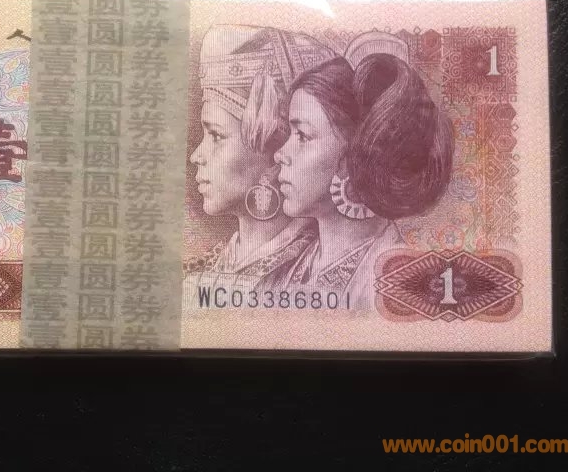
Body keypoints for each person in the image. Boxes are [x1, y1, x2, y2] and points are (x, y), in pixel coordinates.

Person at [268, 31, 454, 310]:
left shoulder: (400, 283)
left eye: (303, 136)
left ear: (355, 154)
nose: (279, 154)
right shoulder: (285, 270)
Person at [186, 24, 336, 289]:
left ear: (276, 151)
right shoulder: (201, 272)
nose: (196, 156)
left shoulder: (319, 274)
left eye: (216, 135)